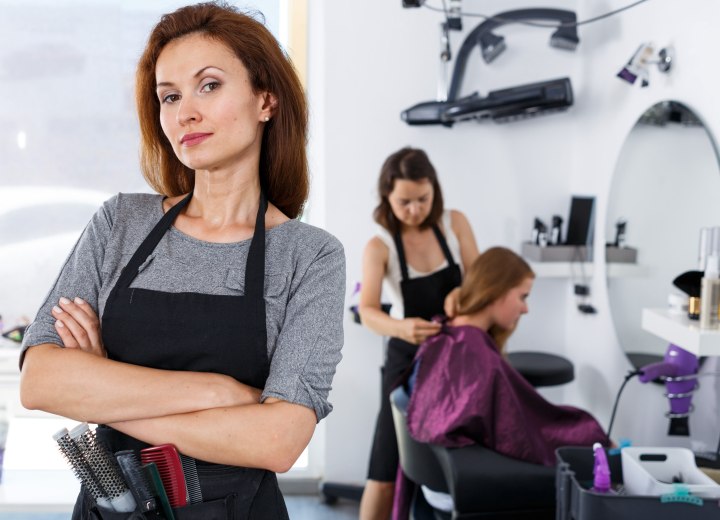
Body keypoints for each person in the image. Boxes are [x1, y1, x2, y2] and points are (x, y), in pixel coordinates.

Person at [18, 3, 345, 519]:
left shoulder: (310, 255)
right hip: (110, 510)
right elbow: (41, 381)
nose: (183, 112)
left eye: (209, 85)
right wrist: (217, 394)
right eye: (169, 96)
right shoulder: (120, 223)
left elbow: (279, 440)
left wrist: (105, 387)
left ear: (266, 100)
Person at [394, 247, 609, 518]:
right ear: (497, 291)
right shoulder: (473, 353)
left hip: (432, 481)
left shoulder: (446, 333)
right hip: (454, 484)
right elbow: (515, 431)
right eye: (523, 296)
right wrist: (590, 434)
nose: (526, 308)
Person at [358, 147, 479, 520]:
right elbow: (368, 311)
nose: (415, 210)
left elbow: (480, 282)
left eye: (422, 199)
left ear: (434, 190)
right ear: (387, 198)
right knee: (386, 468)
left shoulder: (454, 223)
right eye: (404, 202)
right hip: (405, 361)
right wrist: (401, 328)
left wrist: (464, 292)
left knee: (454, 465)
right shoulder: (380, 246)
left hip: (456, 358)